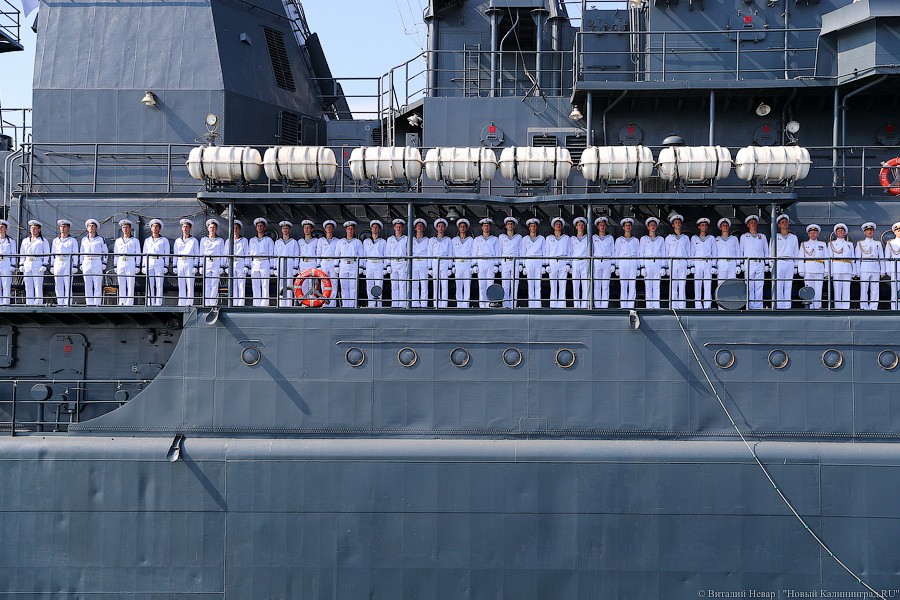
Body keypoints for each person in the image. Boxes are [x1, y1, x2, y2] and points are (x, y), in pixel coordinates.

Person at [740, 215, 769, 309]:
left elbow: (766, 251)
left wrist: (767, 263)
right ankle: (750, 305)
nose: (753, 224)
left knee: (759, 285)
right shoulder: (744, 237)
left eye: (755, 222)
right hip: (749, 263)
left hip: (760, 262)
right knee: (750, 285)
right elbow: (741, 251)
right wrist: (740, 264)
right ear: (748, 225)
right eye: (751, 223)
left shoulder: (762, 236)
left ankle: (759, 306)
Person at [772, 214, 799, 309]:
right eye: (782, 222)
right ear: (779, 225)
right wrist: (771, 264)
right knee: (779, 284)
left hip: (790, 262)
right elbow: (771, 251)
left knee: (788, 284)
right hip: (779, 261)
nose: (785, 223)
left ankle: (787, 306)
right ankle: (779, 305)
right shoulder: (775, 237)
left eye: (786, 222)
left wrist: (796, 266)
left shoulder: (793, 237)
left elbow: (796, 252)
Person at [856, 222, 885, 310]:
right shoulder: (860, 243)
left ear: (873, 232)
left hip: (875, 267)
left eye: (871, 230)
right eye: (868, 230)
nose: (869, 232)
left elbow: (881, 258)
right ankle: (864, 307)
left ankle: (874, 307)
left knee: (875, 288)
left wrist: (882, 271)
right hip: (864, 267)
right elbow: (858, 258)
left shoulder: (878, 244)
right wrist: (857, 271)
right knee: (864, 288)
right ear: (864, 232)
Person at [79, 218, 108, 306]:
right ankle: (89, 303)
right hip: (86, 261)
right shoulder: (84, 240)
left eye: (93, 226)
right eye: (89, 226)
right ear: (87, 228)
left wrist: (104, 263)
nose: (91, 227)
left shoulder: (101, 239)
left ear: (96, 228)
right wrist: (81, 263)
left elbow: (105, 252)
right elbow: (81, 252)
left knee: (97, 284)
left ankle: (97, 303)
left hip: (96, 261)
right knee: (87, 284)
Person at [665, 213, 691, 309]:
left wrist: (689, 266)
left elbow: (689, 252)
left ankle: (682, 306)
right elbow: (666, 253)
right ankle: (673, 306)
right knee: (673, 285)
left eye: (679, 222)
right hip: (673, 262)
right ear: (673, 225)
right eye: (676, 222)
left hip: (683, 262)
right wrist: (666, 267)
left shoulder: (685, 238)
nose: (677, 224)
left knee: (682, 285)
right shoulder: (668, 238)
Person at [798, 224, 827, 309]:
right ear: (808, 234)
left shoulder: (822, 244)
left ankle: (818, 306)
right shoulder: (804, 244)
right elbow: (800, 258)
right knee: (808, 289)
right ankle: (809, 306)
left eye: (814, 233)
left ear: (818, 234)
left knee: (818, 289)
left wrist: (827, 271)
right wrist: (801, 270)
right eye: (811, 233)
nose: (813, 234)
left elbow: (826, 258)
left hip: (819, 269)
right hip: (808, 269)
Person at [52, 219, 80, 306]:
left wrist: (75, 265)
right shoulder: (55, 240)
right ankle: (60, 303)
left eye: (64, 226)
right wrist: (52, 265)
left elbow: (75, 253)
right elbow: (52, 253)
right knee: (58, 284)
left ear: (68, 228)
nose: (62, 228)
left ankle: (68, 303)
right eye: (61, 226)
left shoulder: (72, 240)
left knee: (68, 283)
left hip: (67, 261)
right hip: (58, 261)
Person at [142, 218, 170, 307]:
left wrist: (166, 265)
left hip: (159, 261)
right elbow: (144, 253)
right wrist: (143, 265)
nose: (155, 228)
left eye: (157, 226)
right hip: (149, 261)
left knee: (159, 283)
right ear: (151, 228)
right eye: (153, 226)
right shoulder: (147, 240)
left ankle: (158, 302)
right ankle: (150, 302)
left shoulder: (164, 240)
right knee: (150, 283)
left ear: (159, 229)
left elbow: (167, 253)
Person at [20, 220, 49, 306]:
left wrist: (44, 264)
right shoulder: (25, 240)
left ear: (39, 229)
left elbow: (47, 253)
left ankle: (38, 303)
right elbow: (22, 253)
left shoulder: (43, 241)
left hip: (37, 262)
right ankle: (29, 302)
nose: (33, 230)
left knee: (38, 284)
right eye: (32, 228)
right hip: (27, 262)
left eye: (35, 228)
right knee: (28, 284)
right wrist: (21, 264)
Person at [173, 218, 201, 306]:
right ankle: (181, 303)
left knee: (190, 284)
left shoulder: (194, 240)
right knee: (181, 283)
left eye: (187, 227)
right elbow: (175, 254)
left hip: (189, 261)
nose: (185, 228)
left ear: (190, 228)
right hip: (180, 262)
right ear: (182, 228)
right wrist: (174, 265)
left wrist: (195, 265)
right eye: (184, 227)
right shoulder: (177, 241)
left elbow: (197, 253)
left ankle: (189, 303)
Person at [336, 221, 364, 307]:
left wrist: (361, 266)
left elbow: (361, 255)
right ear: (346, 230)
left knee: (353, 287)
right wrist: (336, 265)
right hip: (343, 264)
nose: (350, 230)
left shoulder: (357, 242)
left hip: (353, 264)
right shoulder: (340, 241)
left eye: (352, 229)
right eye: (348, 229)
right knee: (344, 287)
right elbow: (337, 254)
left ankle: (352, 306)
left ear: (354, 230)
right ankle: (345, 306)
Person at [545, 217, 571, 308]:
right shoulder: (549, 238)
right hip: (552, 261)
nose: (558, 226)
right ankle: (553, 305)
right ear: (553, 226)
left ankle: (562, 305)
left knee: (563, 284)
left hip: (563, 261)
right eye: (556, 224)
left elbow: (569, 251)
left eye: (560, 224)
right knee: (553, 284)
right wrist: (546, 264)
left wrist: (568, 263)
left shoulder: (566, 238)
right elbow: (547, 252)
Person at [473, 218, 499, 308]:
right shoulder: (477, 239)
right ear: (482, 227)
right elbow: (474, 253)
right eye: (484, 225)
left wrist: (496, 264)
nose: (486, 227)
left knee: (490, 284)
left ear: (490, 227)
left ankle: (489, 304)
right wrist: (474, 264)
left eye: (487, 226)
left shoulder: (495, 239)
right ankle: (482, 304)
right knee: (481, 285)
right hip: (481, 261)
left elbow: (497, 252)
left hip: (490, 261)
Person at [113, 218, 140, 306]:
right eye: (124, 227)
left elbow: (138, 253)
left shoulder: (135, 240)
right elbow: (116, 254)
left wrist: (137, 265)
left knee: (130, 283)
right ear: (122, 229)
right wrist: (115, 265)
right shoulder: (118, 241)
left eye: (127, 227)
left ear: (130, 228)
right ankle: (122, 301)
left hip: (130, 261)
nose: (125, 229)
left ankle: (129, 302)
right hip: (121, 261)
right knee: (121, 282)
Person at [828, 223, 854, 310]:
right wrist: (830, 271)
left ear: (845, 233)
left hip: (847, 268)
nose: (840, 232)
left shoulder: (849, 244)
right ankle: (838, 307)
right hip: (836, 268)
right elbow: (829, 258)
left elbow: (853, 258)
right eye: (838, 231)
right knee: (837, 289)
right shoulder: (831, 244)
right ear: (836, 233)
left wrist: (854, 271)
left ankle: (846, 307)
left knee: (847, 289)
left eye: (842, 231)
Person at [691, 217, 716, 309]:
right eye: (702, 225)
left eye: (705, 225)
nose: (704, 227)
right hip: (698, 262)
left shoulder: (711, 238)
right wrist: (691, 265)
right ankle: (698, 305)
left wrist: (714, 265)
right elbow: (692, 252)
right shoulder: (694, 238)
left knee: (707, 284)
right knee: (697, 285)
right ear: (699, 227)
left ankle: (707, 305)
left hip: (708, 262)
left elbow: (714, 252)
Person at [615, 217, 640, 308]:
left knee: (632, 285)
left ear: (631, 227)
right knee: (623, 285)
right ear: (623, 227)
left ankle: (631, 306)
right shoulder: (619, 240)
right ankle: (623, 306)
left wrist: (639, 267)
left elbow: (638, 254)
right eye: (626, 226)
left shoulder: (636, 240)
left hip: (633, 262)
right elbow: (616, 254)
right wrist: (617, 267)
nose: (628, 227)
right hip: (623, 262)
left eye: (629, 225)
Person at [249, 217, 274, 306]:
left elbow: (271, 254)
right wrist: (249, 266)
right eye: (258, 226)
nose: (259, 227)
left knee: (265, 284)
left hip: (265, 261)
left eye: (261, 226)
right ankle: (256, 303)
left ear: (264, 228)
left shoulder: (268, 240)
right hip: (255, 262)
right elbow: (249, 254)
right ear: (256, 228)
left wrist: (272, 267)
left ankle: (265, 303)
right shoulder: (252, 240)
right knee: (255, 284)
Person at [200, 218, 226, 306]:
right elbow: (201, 253)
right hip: (207, 261)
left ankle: (213, 303)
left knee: (215, 283)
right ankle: (207, 303)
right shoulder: (204, 240)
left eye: (214, 227)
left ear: (216, 229)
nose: (212, 229)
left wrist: (222, 266)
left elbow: (222, 253)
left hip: (216, 262)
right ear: (208, 228)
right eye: (210, 227)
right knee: (207, 283)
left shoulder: (220, 240)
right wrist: (201, 265)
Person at [520, 218, 545, 308]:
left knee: (538, 284)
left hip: (538, 260)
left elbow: (544, 251)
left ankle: (537, 305)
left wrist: (544, 265)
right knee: (530, 284)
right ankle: (531, 305)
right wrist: (523, 265)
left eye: (534, 226)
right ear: (529, 228)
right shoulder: (525, 239)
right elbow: (523, 252)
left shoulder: (541, 239)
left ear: (536, 228)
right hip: (529, 261)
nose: (533, 227)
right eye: (531, 226)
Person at [274, 220, 299, 307]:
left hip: (290, 262)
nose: (285, 230)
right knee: (281, 283)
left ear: (289, 230)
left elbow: (296, 255)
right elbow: (275, 255)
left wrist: (295, 267)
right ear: (281, 230)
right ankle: (281, 303)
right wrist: (275, 268)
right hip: (280, 262)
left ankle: (289, 304)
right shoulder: (278, 242)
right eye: (283, 228)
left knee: (289, 283)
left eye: (287, 228)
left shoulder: (294, 242)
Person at [592, 216, 615, 309]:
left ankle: (605, 306)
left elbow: (613, 251)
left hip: (607, 261)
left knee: (605, 285)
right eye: (600, 225)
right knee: (597, 285)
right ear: (597, 227)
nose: (602, 227)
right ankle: (597, 306)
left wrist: (613, 264)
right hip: (597, 261)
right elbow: (592, 251)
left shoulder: (610, 238)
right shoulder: (593, 237)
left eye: (604, 225)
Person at [499, 216, 521, 308]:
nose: (510, 225)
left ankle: (513, 305)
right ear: (506, 226)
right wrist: (499, 264)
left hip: (515, 261)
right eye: (508, 224)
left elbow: (520, 251)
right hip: (505, 261)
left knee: (515, 284)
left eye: (512, 224)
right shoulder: (501, 237)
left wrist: (521, 263)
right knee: (505, 284)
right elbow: (499, 251)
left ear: (514, 226)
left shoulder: (518, 237)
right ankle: (505, 305)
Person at [429, 218, 453, 308]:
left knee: (444, 284)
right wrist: (429, 267)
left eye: (442, 226)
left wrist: (450, 266)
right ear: (436, 228)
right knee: (436, 284)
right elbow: (430, 253)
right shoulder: (432, 240)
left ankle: (444, 305)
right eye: (439, 226)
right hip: (435, 261)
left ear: (444, 228)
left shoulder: (448, 240)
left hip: (445, 261)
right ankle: (436, 304)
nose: (440, 228)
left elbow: (450, 253)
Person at [385, 218, 409, 308]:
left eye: (400, 227)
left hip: (402, 262)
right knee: (394, 285)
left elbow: (408, 252)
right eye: (397, 226)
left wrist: (407, 265)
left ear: (402, 228)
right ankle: (395, 304)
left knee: (402, 285)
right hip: (393, 263)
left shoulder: (406, 239)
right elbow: (388, 253)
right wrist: (388, 265)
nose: (398, 228)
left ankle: (402, 304)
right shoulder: (390, 239)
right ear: (394, 228)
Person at [363, 219, 386, 307]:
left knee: (379, 284)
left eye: (377, 227)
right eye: (373, 227)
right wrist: (363, 267)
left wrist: (385, 267)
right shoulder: (366, 241)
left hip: (379, 263)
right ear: (371, 229)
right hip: (369, 263)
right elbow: (363, 255)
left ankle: (379, 305)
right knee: (369, 285)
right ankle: (371, 305)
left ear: (379, 230)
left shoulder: (383, 241)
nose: (375, 229)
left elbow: (385, 255)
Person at [316, 220, 339, 307]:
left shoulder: (337, 241)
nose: (329, 229)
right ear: (325, 229)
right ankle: (325, 302)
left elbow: (337, 253)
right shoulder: (321, 240)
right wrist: (318, 265)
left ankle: (332, 304)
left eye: (330, 227)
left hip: (333, 262)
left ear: (333, 229)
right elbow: (318, 253)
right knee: (324, 283)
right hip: (324, 262)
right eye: (327, 227)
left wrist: (337, 264)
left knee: (334, 283)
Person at [452, 218, 474, 307]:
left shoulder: (470, 240)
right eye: (461, 226)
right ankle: (459, 305)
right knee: (458, 285)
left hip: (467, 263)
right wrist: (452, 265)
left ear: (466, 228)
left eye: (464, 227)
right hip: (458, 263)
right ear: (458, 228)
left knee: (467, 285)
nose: (462, 228)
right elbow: (452, 253)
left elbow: (473, 253)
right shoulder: (454, 240)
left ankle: (466, 305)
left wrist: (473, 265)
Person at [570, 217, 590, 309]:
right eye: (579, 225)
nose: (581, 227)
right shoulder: (572, 239)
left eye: (582, 225)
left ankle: (585, 305)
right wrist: (569, 264)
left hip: (585, 261)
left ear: (584, 227)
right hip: (575, 261)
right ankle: (576, 306)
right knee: (575, 284)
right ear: (576, 227)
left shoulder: (588, 238)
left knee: (585, 284)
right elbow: (570, 251)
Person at [410, 218, 430, 307]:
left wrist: (429, 266)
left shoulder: (427, 240)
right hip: (414, 262)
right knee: (414, 284)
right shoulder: (411, 239)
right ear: (415, 228)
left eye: (421, 226)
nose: (419, 227)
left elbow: (429, 253)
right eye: (418, 226)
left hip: (423, 262)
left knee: (424, 284)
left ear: (423, 228)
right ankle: (415, 303)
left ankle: (424, 304)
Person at [229, 220, 249, 306]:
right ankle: (234, 302)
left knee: (241, 284)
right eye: (234, 228)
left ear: (239, 229)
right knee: (233, 284)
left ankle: (241, 303)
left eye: (237, 228)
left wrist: (246, 265)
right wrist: (225, 266)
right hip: (232, 262)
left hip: (241, 262)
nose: (235, 229)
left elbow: (247, 253)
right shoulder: (228, 241)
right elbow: (226, 254)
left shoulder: (244, 240)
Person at [297, 220, 319, 299]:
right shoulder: (300, 241)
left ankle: (312, 301)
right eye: (305, 228)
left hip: (312, 263)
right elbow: (298, 254)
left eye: (308, 228)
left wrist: (318, 265)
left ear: (311, 229)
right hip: (303, 263)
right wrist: (297, 266)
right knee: (303, 284)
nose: (306, 229)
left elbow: (318, 253)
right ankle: (304, 302)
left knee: (312, 284)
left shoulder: (316, 241)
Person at [0, 220, 17, 305]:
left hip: (6, 262)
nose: (0, 228)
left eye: (2, 227)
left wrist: (13, 264)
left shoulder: (10, 241)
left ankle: (6, 303)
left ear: (6, 229)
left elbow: (13, 253)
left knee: (6, 284)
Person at [886, 222, 900, 311]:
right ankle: (894, 308)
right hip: (894, 269)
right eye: (898, 230)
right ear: (894, 232)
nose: (899, 232)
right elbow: (887, 258)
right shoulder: (890, 243)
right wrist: (888, 270)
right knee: (894, 289)